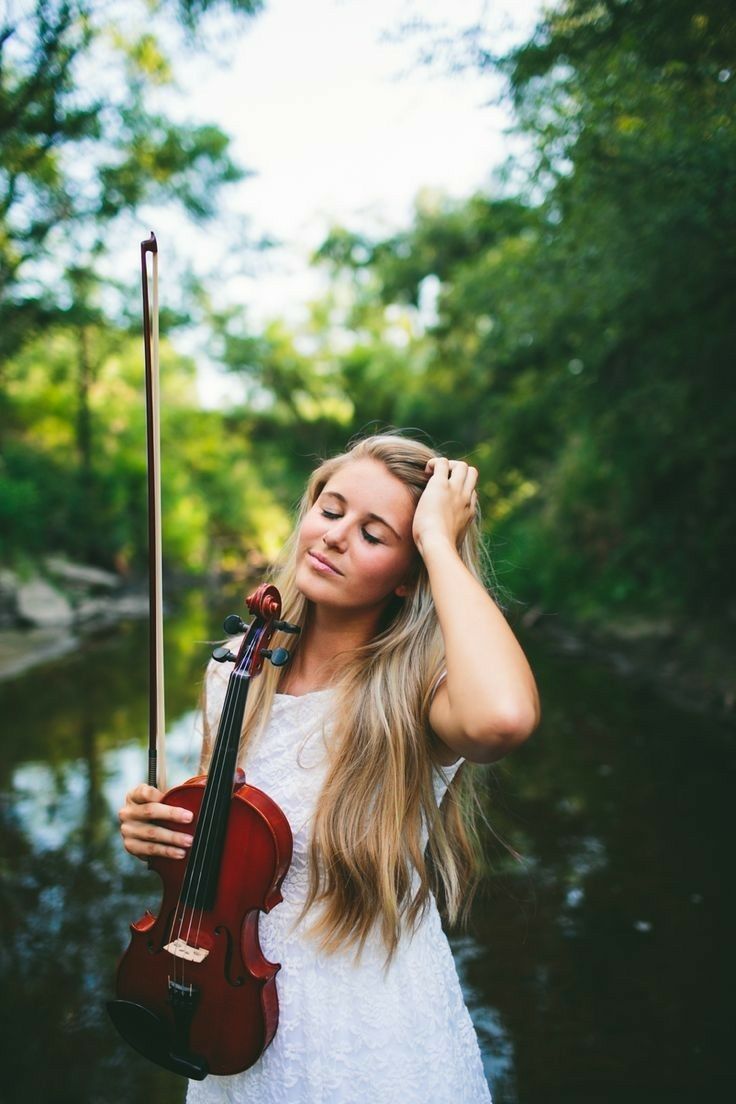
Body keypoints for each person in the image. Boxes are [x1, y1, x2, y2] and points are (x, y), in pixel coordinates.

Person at [118, 431, 541, 1104]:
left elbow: (505, 719)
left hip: (371, 1032)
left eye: (375, 534)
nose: (336, 536)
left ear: (408, 574)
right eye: (331, 508)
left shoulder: (420, 692)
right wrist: (157, 831)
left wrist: (440, 541)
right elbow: (213, 847)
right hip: (228, 1014)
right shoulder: (237, 670)